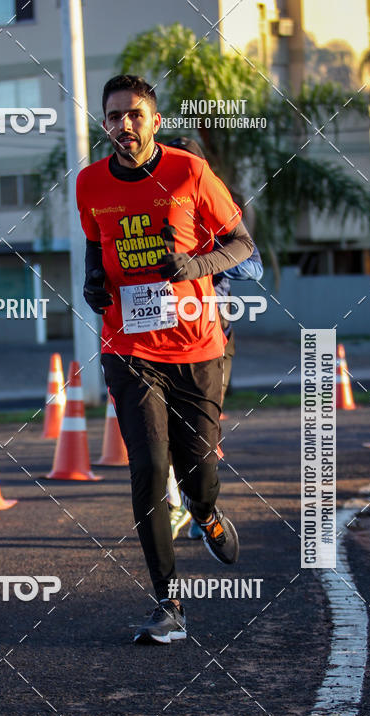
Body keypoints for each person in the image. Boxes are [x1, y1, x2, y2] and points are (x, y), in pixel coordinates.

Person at [76, 75, 254, 644]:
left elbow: (243, 244)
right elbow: (95, 245)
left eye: (134, 114)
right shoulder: (89, 182)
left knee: (198, 472)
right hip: (128, 347)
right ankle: (168, 603)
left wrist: (196, 266)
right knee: (150, 468)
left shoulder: (189, 172)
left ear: (154, 120)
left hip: (197, 347)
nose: (124, 125)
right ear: (105, 124)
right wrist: (93, 282)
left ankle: (205, 513)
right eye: (114, 116)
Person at [163, 137, 264, 541]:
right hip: (160, 339)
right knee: (162, 431)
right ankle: (177, 504)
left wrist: (204, 262)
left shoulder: (218, 215)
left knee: (201, 432)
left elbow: (253, 267)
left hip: (213, 337)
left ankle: (200, 506)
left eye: (187, 169)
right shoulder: (154, 212)